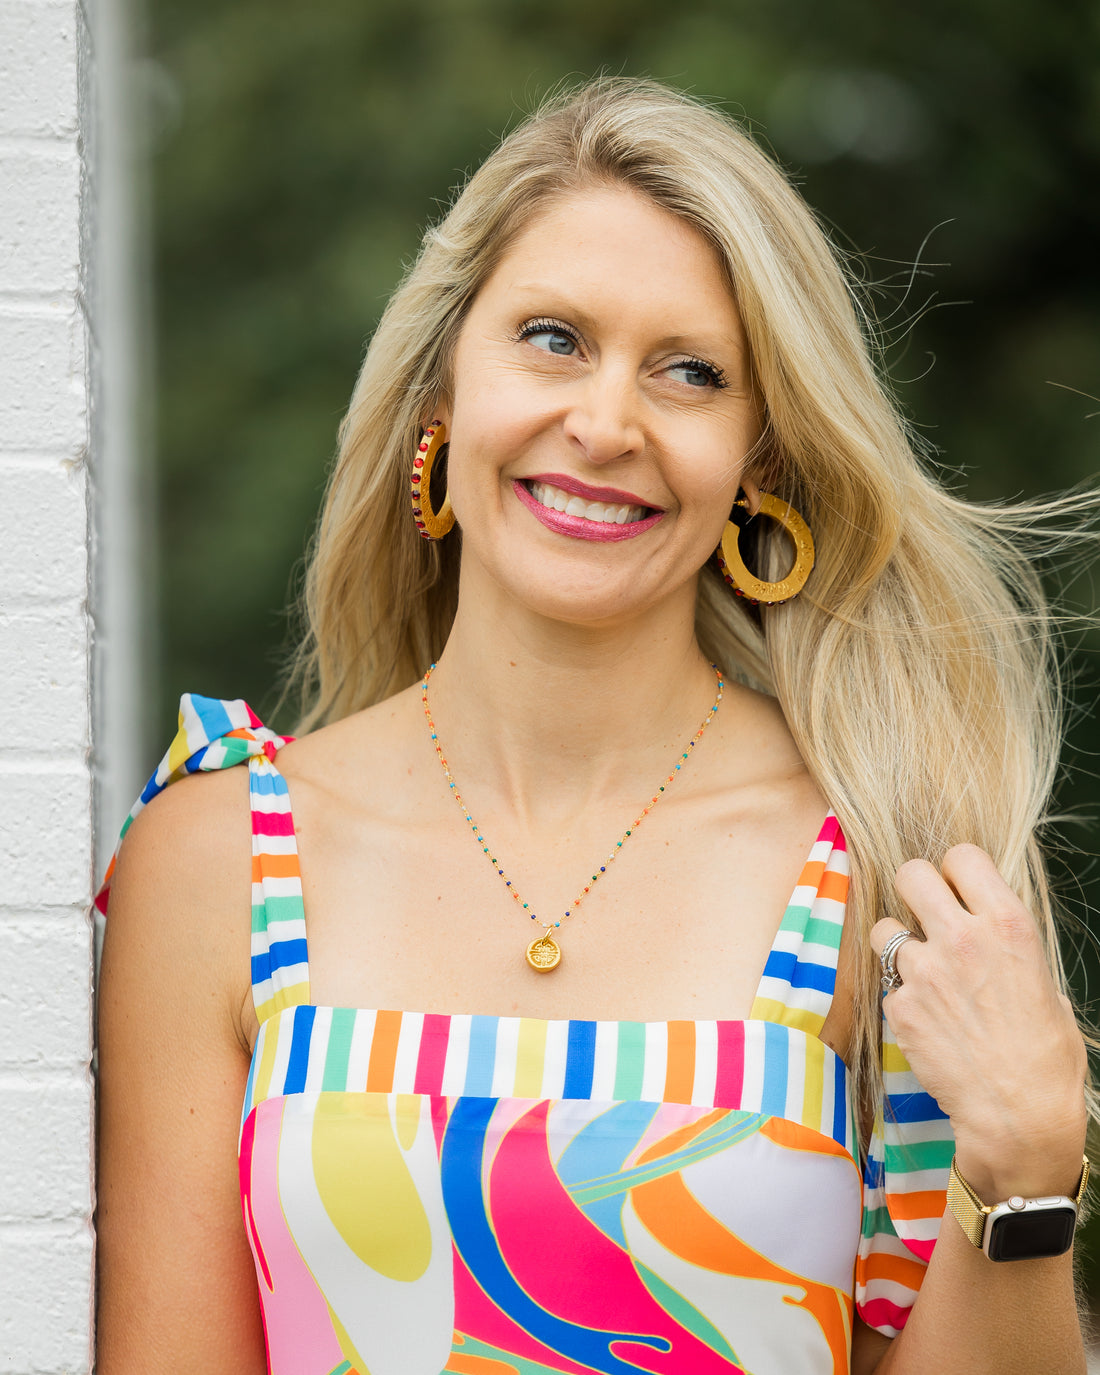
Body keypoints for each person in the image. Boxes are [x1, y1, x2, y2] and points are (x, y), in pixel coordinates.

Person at [94, 77, 1093, 1374]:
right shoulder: (218, 859)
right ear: (443, 389)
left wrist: (1028, 1167)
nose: (607, 422)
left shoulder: (886, 873)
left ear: (761, 463)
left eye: (689, 373)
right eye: (555, 339)